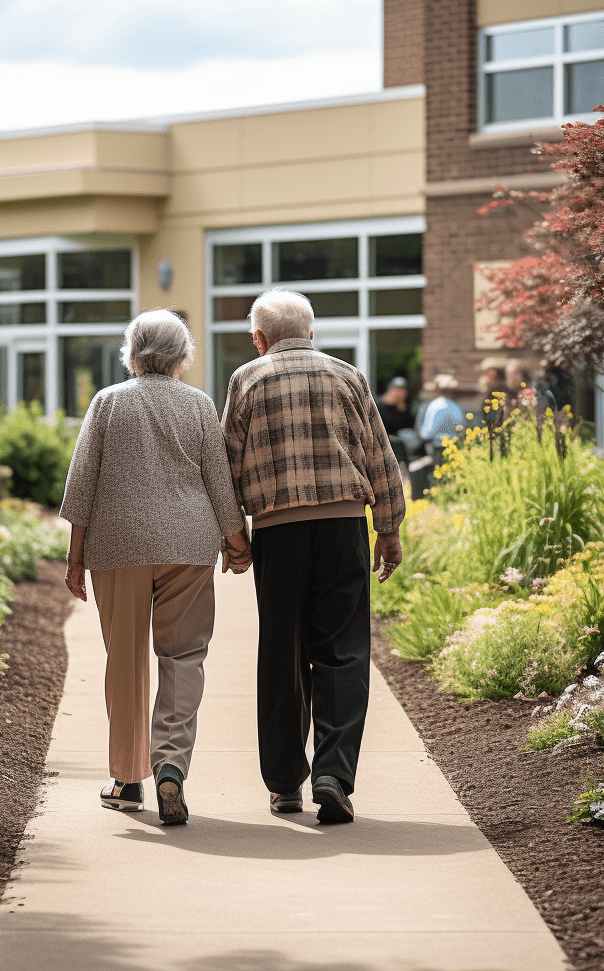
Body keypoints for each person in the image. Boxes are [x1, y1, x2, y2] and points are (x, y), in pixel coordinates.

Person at [60, 309, 252, 827]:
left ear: (132, 351)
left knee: (124, 660)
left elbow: (81, 486)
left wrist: (75, 559)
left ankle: (127, 778)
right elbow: (220, 484)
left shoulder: (107, 402)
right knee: (184, 656)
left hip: (117, 544)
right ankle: (170, 766)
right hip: (188, 545)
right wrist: (239, 545)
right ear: (182, 356)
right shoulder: (198, 405)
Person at [222, 289, 406, 825]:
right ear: (312, 331)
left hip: (278, 532)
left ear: (260, 339)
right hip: (344, 524)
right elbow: (379, 454)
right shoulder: (348, 376)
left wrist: (233, 536)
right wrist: (388, 528)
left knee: (282, 652)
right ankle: (333, 774)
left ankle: (283, 785)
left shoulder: (246, 380)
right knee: (343, 649)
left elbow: (227, 462)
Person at [420, 373, 466, 467]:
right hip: (456, 449)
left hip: (438, 452)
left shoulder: (435, 405)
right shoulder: (456, 406)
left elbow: (427, 433)